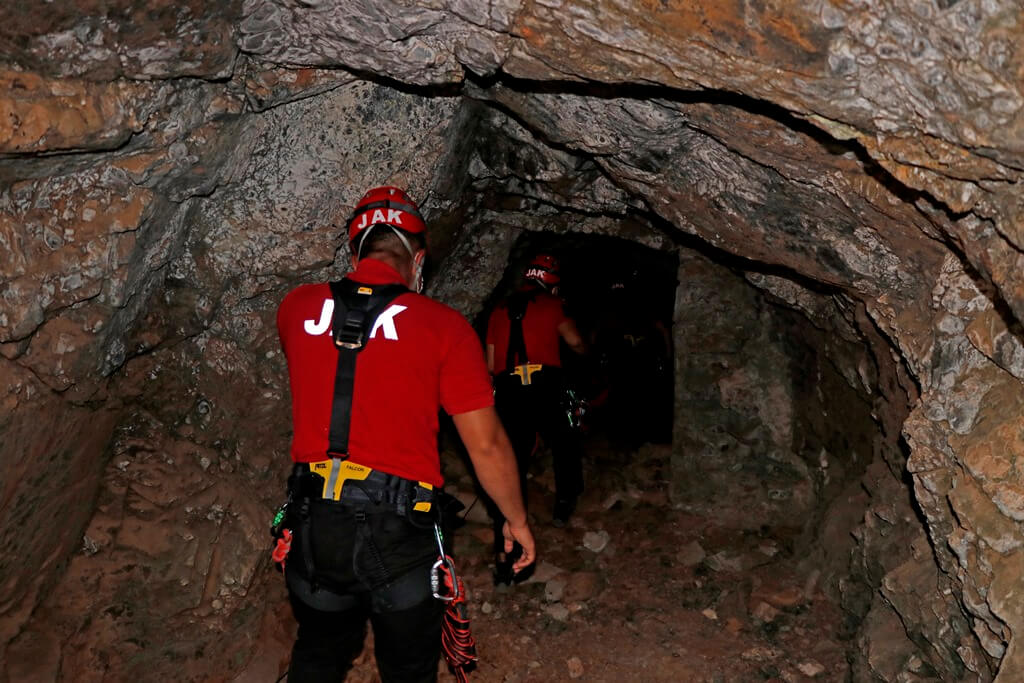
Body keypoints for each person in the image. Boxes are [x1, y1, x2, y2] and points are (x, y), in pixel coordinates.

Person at [274, 185, 535, 682]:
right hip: (398, 530)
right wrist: (515, 518)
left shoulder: (295, 308)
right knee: (409, 667)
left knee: (320, 649)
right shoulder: (443, 326)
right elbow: (486, 444)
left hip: (314, 522)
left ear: (355, 250)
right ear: (417, 259)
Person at [484, 253, 586, 582]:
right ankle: (564, 503)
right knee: (565, 439)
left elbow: (489, 363)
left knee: (512, 459)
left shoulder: (499, 310)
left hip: (510, 388)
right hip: (546, 384)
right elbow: (575, 342)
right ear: (552, 281)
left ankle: (507, 541)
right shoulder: (553, 306)